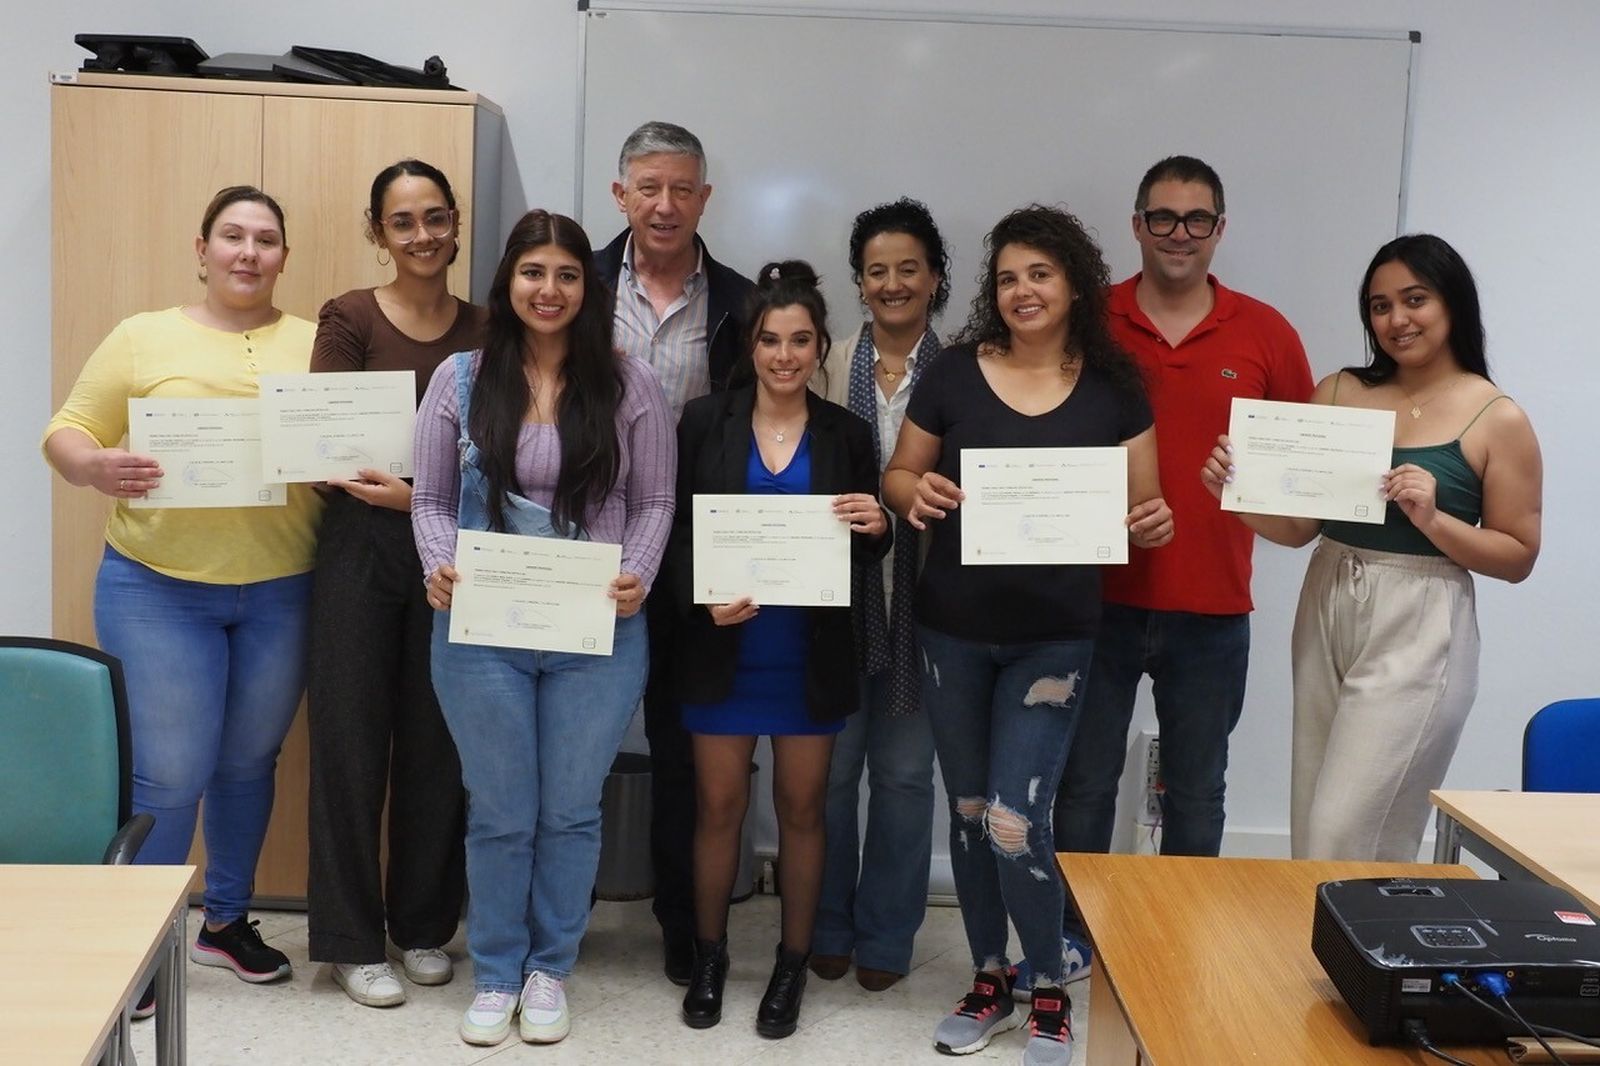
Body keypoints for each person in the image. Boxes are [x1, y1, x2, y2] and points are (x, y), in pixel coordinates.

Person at [883, 205, 1172, 1065]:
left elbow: (1144, 508)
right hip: (953, 633)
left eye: (1040, 274)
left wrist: (1153, 523)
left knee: (1017, 818)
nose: (1022, 291)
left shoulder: (1115, 387)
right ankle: (987, 978)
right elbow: (899, 473)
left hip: (1055, 642)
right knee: (971, 813)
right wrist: (914, 493)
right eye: (1008, 278)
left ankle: (1047, 983)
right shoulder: (953, 373)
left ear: (1075, 284)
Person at [42, 186, 321, 1001]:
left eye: (266, 239)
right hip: (157, 588)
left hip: (283, 588)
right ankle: (143, 949)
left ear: (284, 256)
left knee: (248, 763)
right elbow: (66, 432)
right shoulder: (143, 336)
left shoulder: (317, 341)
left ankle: (224, 923)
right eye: (232, 236)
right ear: (202, 250)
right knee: (169, 775)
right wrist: (93, 466)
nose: (248, 252)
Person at [411, 209, 675, 1046]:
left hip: (597, 632)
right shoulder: (459, 379)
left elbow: (656, 499)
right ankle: (496, 974)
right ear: (509, 282)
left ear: (586, 290)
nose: (549, 289)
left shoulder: (630, 384)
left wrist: (638, 573)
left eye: (566, 275)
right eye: (533, 273)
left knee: (569, 810)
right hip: (482, 631)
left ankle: (549, 969)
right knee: (499, 811)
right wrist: (438, 563)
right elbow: (429, 498)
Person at [1051, 155, 1312, 979]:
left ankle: (1179, 935)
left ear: (1219, 230)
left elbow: (1303, 472)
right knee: (1084, 782)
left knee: (1197, 790)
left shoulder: (1266, 333)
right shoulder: (1088, 321)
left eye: (1197, 219)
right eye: (1162, 217)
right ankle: (1072, 935)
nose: (1179, 233)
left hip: (1213, 608)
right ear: (1137, 225)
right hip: (1094, 601)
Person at [1201, 233, 1542, 862]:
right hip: (1328, 593)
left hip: (1422, 615)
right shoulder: (1339, 391)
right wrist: (1237, 493)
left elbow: (1518, 555)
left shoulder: (1496, 416)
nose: (1397, 319)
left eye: (1415, 299)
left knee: (1348, 829)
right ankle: (1324, 930)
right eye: (1380, 306)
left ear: (1452, 303)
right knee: (1313, 820)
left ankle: (1371, 928)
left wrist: (1434, 520)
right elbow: (1300, 529)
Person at [669, 262, 890, 1037]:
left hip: (807, 653)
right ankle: (709, 957)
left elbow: (863, 544)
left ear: (820, 346)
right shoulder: (704, 421)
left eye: (801, 340)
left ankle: (792, 964)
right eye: (771, 340)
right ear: (751, 346)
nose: (785, 355)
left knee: (802, 810)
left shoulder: (846, 433)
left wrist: (878, 525)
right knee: (718, 808)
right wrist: (702, 596)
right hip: (723, 648)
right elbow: (675, 530)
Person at [306, 159, 486, 1008]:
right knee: (347, 743)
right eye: (403, 221)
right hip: (360, 550)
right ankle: (349, 940)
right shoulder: (348, 317)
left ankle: (421, 926)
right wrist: (392, 489)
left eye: (435, 217)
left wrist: (422, 498)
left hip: (452, 553)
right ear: (378, 231)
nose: (422, 235)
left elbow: (503, 457)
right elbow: (325, 449)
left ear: (456, 223)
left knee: (438, 745)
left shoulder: (489, 330)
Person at [593, 119, 756, 985]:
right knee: (572, 740)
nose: (665, 205)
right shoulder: (573, 284)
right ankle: (556, 921)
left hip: (695, 552)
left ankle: (684, 925)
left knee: (684, 747)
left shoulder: (741, 304)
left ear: (705, 197)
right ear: (620, 194)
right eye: (648, 188)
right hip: (585, 548)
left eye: (682, 189)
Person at [810, 198, 950, 991]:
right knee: (831, 778)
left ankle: (889, 938)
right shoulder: (823, 362)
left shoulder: (968, 369)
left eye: (908, 269)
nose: (892, 284)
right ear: (859, 282)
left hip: (930, 609)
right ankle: (827, 925)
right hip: (835, 606)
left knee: (902, 779)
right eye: (876, 271)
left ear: (934, 277)